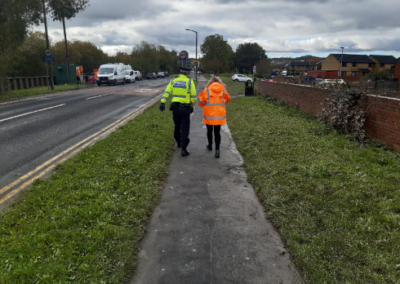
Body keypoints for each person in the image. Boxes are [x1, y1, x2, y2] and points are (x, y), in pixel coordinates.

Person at [159, 67, 197, 156]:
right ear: (187, 74)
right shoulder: (189, 82)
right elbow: (193, 97)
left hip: (175, 109)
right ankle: (184, 149)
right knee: (185, 128)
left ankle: (178, 142)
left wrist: (162, 103)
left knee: (177, 126)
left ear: (180, 72)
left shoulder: (173, 81)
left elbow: (167, 92)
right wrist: (192, 107)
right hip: (185, 109)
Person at [198, 75, 231, 158]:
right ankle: (217, 150)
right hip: (219, 114)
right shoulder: (223, 89)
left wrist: (204, 105)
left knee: (209, 131)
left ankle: (210, 145)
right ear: (219, 82)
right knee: (217, 132)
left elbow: (201, 102)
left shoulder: (206, 89)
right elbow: (228, 99)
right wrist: (222, 104)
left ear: (211, 82)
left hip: (209, 114)